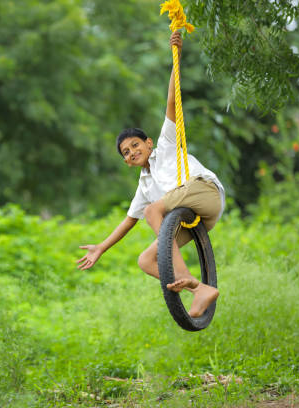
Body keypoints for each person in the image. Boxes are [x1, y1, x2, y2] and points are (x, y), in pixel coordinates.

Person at [76, 31, 225, 318]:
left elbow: (172, 101)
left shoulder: (166, 146)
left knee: (156, 210)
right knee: (145, 260)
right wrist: (101, 248)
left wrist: (176, 59)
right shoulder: (144, 184)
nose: (131, 152)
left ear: (148, 143)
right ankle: (198, 290)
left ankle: (190, 278)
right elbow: (129, 220)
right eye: (126, 153)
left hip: (204, 193)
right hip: (196, 219)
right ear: (127, 163)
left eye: (135, 145)